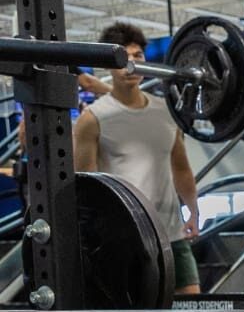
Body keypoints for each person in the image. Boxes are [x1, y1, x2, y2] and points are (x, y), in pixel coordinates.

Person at [72, 21, 201, 296]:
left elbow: (181, 167)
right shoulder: (93, 119)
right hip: (125, 239)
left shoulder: (166, 112)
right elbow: (87, 187)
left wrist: (193, 210)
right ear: (109, 65)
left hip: (171, 235)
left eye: (137, 56)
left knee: (193, 311)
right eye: (123, 58)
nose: (131, 65)